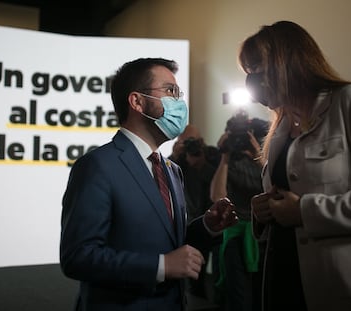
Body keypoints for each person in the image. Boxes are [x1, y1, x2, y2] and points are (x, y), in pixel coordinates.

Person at [60, 57, 238, 311]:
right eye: (170, 91)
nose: (179, 102)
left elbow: (167, 241)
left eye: (179, 93)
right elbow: (77, 257)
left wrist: (207, 226)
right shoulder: (97, 165)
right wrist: (161, 266)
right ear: (137, 101)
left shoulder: (171, 170)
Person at [241, 21, 351, 311]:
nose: (252, 81)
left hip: (344, 283)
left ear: (289, 60)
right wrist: (265, 210)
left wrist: (305, 211)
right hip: (284, 274)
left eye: (258, 68)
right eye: (248, 72)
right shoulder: (281, 125)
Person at [210, 111, 267, 311]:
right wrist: (224, 157)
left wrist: (257, 153)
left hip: (262, 234)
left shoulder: (262, 159)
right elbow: (217, 197)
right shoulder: (229, 161)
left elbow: (274, 187)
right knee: (239, 295)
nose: (241, 140)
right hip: (236, 233)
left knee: (263, 294)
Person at [169, 124, 221, 299]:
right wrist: (174, 157)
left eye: (195, 141)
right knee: (192, 275)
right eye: (187, 142)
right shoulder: (177, 160)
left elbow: (219, 183)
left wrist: (201, 166)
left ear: (202, 141)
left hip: (214, 222)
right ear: (179, 143)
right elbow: (164, 181)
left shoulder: (212, 155)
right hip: (189, 223)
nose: (192, 146)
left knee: (219, 273)